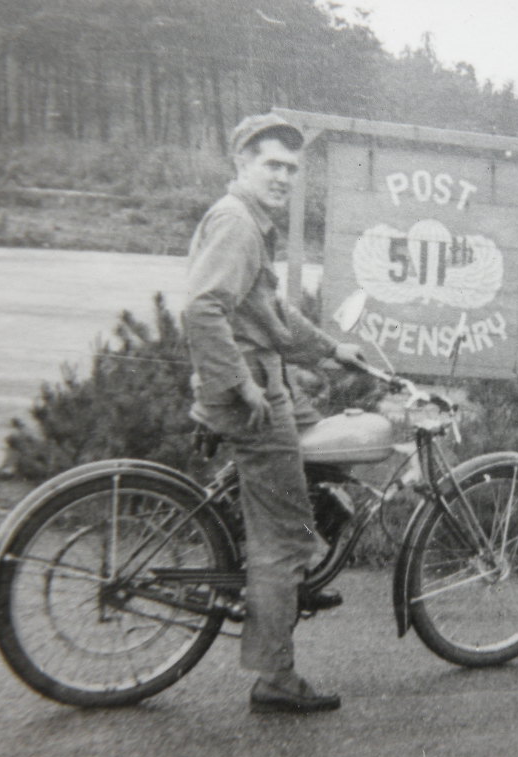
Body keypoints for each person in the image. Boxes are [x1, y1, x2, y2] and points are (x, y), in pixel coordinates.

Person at [182, 113, 362, 714]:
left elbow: (271, 314)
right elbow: (202, 310)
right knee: (283, 536)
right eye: (272, 165)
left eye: (291, 168)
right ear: (242, 163)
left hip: (266, 384)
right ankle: (276, 676)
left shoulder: (249, 222)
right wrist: (242, 385)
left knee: (319, 459)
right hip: (253, 395)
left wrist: (332, 350)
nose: (283, 177)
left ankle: (288, 588)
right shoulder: (238, 223)